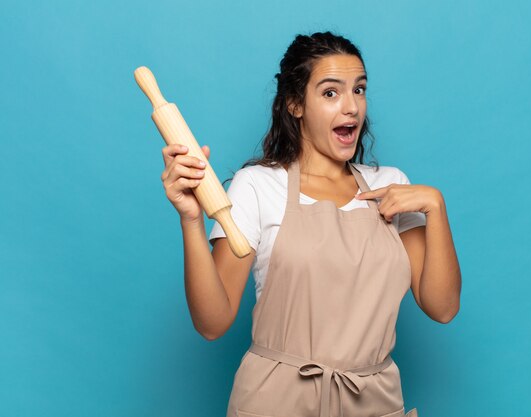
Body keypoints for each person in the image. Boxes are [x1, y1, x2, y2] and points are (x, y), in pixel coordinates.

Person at [159, 31, 461, 417]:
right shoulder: (259, 185)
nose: (351, 106)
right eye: (331, 93)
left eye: (360, 89)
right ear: (295, 104)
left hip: (374, 402)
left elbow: (443, 307)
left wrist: (437, 207)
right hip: (275, 402)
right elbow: (212, 322)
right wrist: (190, 220)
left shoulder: (393, 185)